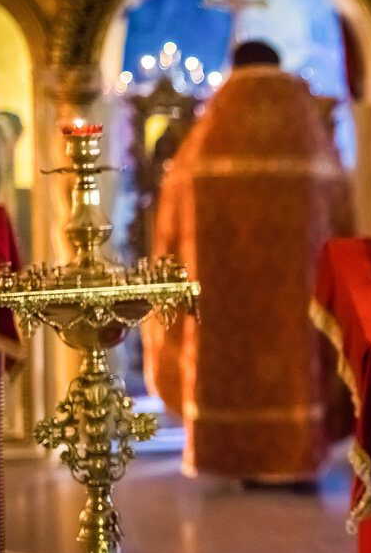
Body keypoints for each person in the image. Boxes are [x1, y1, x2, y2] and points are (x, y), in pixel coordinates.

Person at [143, 40, 354, 484]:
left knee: (232, 357)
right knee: (297, 360)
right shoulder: (308, 134)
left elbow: (169, 223)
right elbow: (344, 216)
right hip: (298, 290)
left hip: (225, 295)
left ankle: (238, 458)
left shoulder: (208, 136)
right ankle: (296, 454)